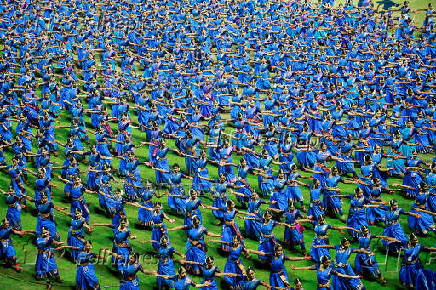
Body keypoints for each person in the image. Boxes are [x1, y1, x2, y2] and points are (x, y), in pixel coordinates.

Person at [291, 255, 362, 290]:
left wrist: (355, 277)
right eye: (327, 262)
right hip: (319, 287)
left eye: (329, 262)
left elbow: (342, 275)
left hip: (327, 288)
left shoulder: (330, 270)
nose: (329, 264)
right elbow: (307, 268)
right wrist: (295, 268)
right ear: (323, 262)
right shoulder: (318, 266)